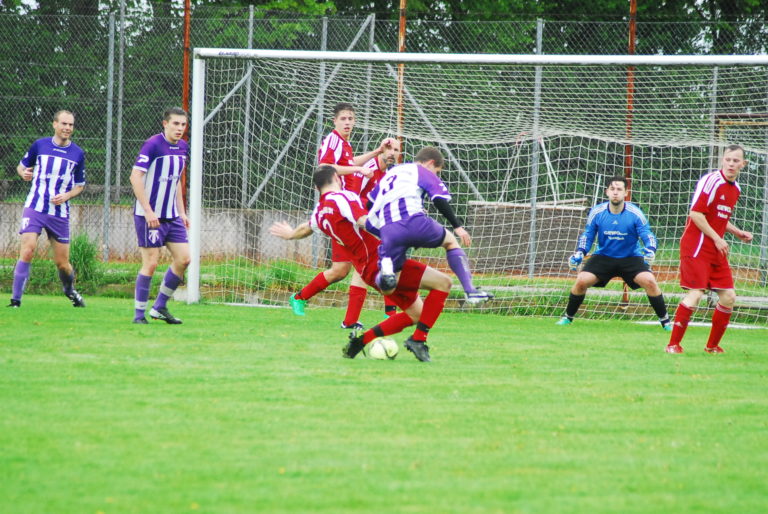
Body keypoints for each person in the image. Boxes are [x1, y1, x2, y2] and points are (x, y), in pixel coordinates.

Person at [270, 165, 453, 362]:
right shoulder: (344, 197)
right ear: (337, 177)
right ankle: (418, 341)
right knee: (444, 283)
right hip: (382, 262)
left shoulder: (320, 212)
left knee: (416, 314)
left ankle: (360, 341)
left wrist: (290, 235)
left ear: (316, 188)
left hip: (367, 271)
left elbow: (306, 228)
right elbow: (363, 220)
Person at [288, 102, 396, 329]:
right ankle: (389, 312)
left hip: (346, 212)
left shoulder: (345, 145)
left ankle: (301, 299)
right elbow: (325, 167)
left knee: (342, 270)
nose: (347, 122)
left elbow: (349, 163)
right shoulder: (333, 140)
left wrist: (376, 152)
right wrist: (358, 170)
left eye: (351, 119)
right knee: (369, 260)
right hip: (340, 212)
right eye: (343, 118)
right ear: (335, 121)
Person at [365, 146, 492, 304]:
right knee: (451, 241)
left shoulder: (391, 173)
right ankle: (470, 290)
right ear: (430, 163)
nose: (436, 174)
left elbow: (370, 204)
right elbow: (439, 199)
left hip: (389, 231)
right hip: (414, 221)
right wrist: (457, 226)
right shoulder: (421, 170)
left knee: (388, 287)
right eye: (437, 171)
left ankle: (386, 272)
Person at [666, 144, 753, 354]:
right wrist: (717, 238)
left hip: (715, 248)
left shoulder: (736, 189)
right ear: (722, 160)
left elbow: (719, 218)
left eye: (736, 160)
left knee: (729, 297)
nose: (731, 164)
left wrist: (736, 232)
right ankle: (673, 345)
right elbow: (696, 214)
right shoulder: (711, 181)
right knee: (696, 294)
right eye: (728, 159)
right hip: (696, 246)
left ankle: (712, 347)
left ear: (743, 164)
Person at [556, 176, 671, 329]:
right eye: (612, 189)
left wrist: (650, 249)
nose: (615, 193)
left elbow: (648, 235)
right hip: (604, 256)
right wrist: (579, 253)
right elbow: (588, 235)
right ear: (607, 192)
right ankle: (567, 318)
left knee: (649, 281)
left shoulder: (635, 213)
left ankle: (666, 322)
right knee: (582, 280)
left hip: (631, 257)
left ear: (626, 193)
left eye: (619, 189)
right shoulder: (597, 212)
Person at [8, 110, 86, 308]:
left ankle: (69, 290)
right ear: (54, 124)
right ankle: (15, 301)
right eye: (64, 124)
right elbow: (21, 166)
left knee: (62, 263)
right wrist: (24, 173)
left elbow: (80, 185)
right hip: (35, 206)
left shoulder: (77, 153)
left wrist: (66, 196)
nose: (67, 128)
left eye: (71, 125)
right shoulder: (40, 145)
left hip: (59, 214)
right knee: (27, 250)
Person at [129, 107, 191, 325]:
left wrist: (182, 212)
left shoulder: (183, 147)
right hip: (150, 216)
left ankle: (160, 306)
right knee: (151, 263)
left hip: (171, 216)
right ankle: (139, 315)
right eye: (175, 124)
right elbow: (135, 177)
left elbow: (175, 183)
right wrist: (148, 210)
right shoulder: (153, 145)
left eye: (183, 125)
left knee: (184, 259)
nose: (180, 129)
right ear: (165, 124)